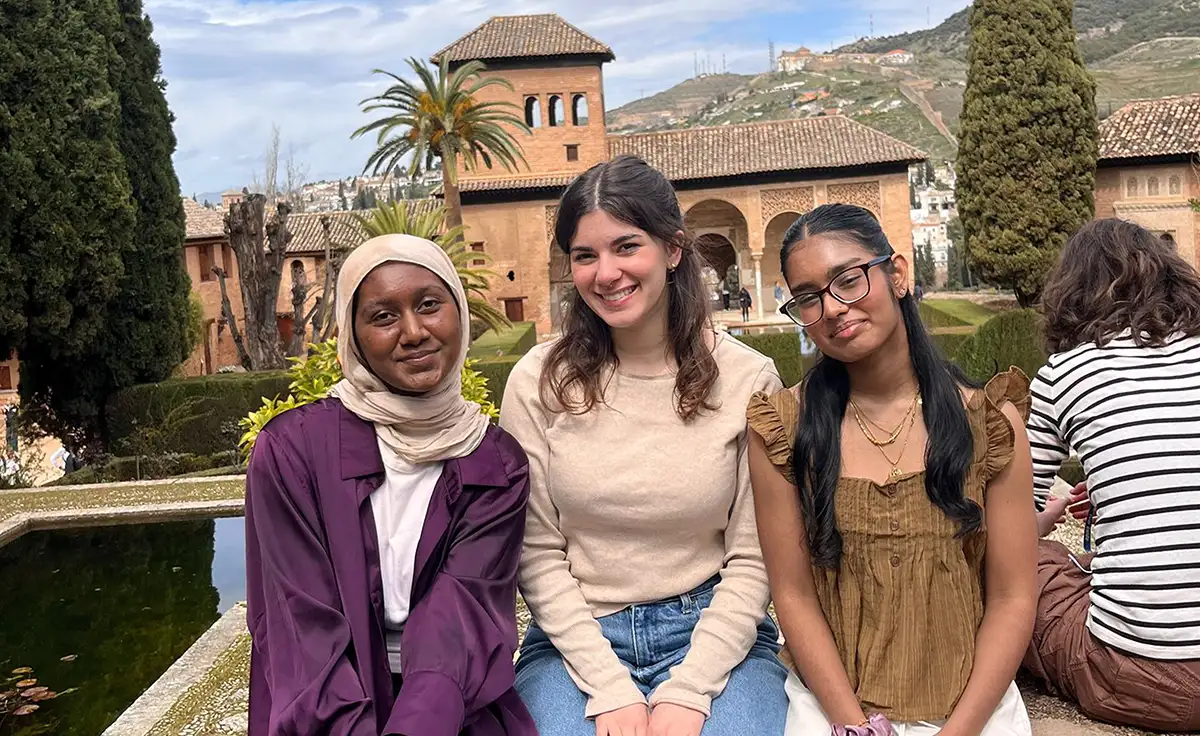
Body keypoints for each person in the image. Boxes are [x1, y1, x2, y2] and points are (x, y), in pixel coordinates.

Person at [500, 154, 789, 736]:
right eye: (585, 255)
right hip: (574, 640)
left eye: (626, 246)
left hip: (714, 631)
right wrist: (609, 688)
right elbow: (536, 549)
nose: (606, 273)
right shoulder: (539, 381)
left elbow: (754, 555)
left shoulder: (747, 379)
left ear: (673, 250)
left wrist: (690, 689)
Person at [747, 203, 1037, 736]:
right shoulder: (783, 430)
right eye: (808, 298)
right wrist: (855, 727)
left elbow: (1013, 596)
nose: (832, 308)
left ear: (897, 274)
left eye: (848, 280)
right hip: (836, 709)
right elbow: (793, 595)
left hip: (972, 709)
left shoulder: (991, 424)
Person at [244, 234, 536, 736]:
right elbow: (301, 626)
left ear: (459, 313)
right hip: (323, 710)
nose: (414, 332)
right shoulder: (293, 453)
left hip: (452, 703)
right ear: (352, 336)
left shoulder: (494, 461)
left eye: (429, 305)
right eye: (383, 316)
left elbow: (461, 614)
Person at [1024, 218, 1200, 732]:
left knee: (1034, 565)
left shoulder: (1064, 373)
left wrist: (1048, 519)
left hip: (1139, 676)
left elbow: (1009, 527)